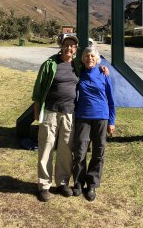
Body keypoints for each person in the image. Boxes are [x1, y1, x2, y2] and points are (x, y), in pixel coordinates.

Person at [32, 35, 80, 202]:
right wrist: (37, 111)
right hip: (51, 111)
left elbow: (94, 61)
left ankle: (62, 182)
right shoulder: (49, 64)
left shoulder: (77, 65)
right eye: (66, 45)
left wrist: (103, 69)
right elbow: (38, 90)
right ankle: (44, 185)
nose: (69, 48)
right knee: (46, 147)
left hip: (70, 112)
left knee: (66, 149)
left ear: (76, 49)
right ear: (61, 46)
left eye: (72, 46)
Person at [72, 47, 116, 202]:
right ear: (83, 59)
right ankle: (78, 182)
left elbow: (111, 100)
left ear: (97, 59)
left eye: (92, 56)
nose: (89, 58)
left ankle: (91, 184)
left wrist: (112, 121)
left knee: (98, 152)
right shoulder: (79, 73)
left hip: (101, 117)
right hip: (83, 116)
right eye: (87, 56)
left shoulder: (103, 73)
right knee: (79, 151)